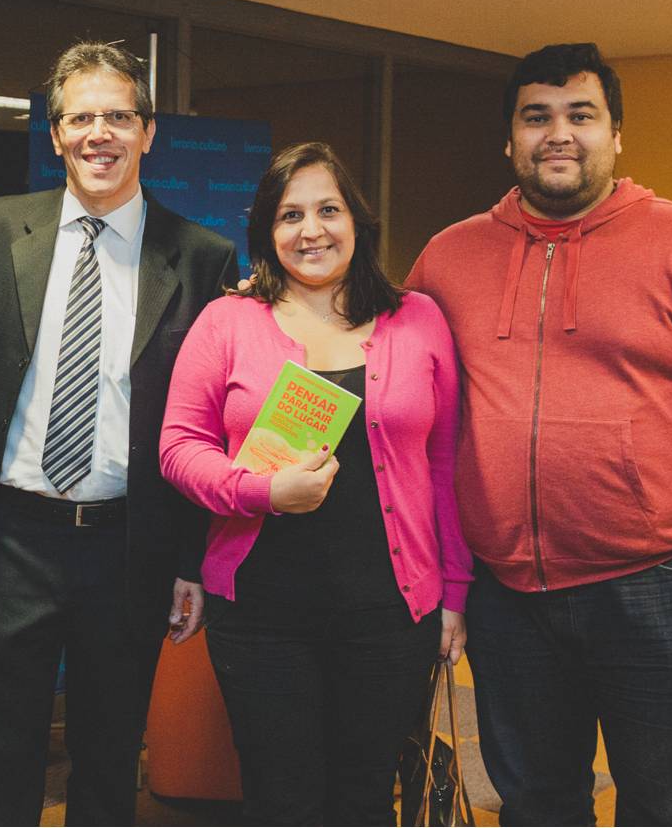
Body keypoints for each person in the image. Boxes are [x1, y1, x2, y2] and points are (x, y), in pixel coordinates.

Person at [405, 42, 672, 825]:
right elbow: (382, 363)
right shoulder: (450, 256)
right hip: (506, 594)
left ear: (616, 135)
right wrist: (276, 305)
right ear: (510, 141)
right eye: (537, 117)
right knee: (536, 803)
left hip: (649, 588)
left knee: (667, 805)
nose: (559, 133)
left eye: (580, 115)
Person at [0, 40, 238, 824]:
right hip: (11, 539)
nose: (98, 133)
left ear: (148, 132)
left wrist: (191, 562)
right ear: (55, 133)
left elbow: (212, 424)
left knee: (110, 759)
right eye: (80, 118)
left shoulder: (202, 258)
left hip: (128, 547)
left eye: (117, 116)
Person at [159, 141, 472, 824]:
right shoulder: (228, 321)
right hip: (264, 615)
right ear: (267, 233)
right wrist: (261, 492)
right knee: (283, 800)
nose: (311, 231)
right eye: (289, 214)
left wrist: (455, 593)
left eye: (328, 210)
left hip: (392, 613)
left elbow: (445, 466)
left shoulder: (418, 319)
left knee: (365, 798)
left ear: (357, 222)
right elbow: (179, 448)